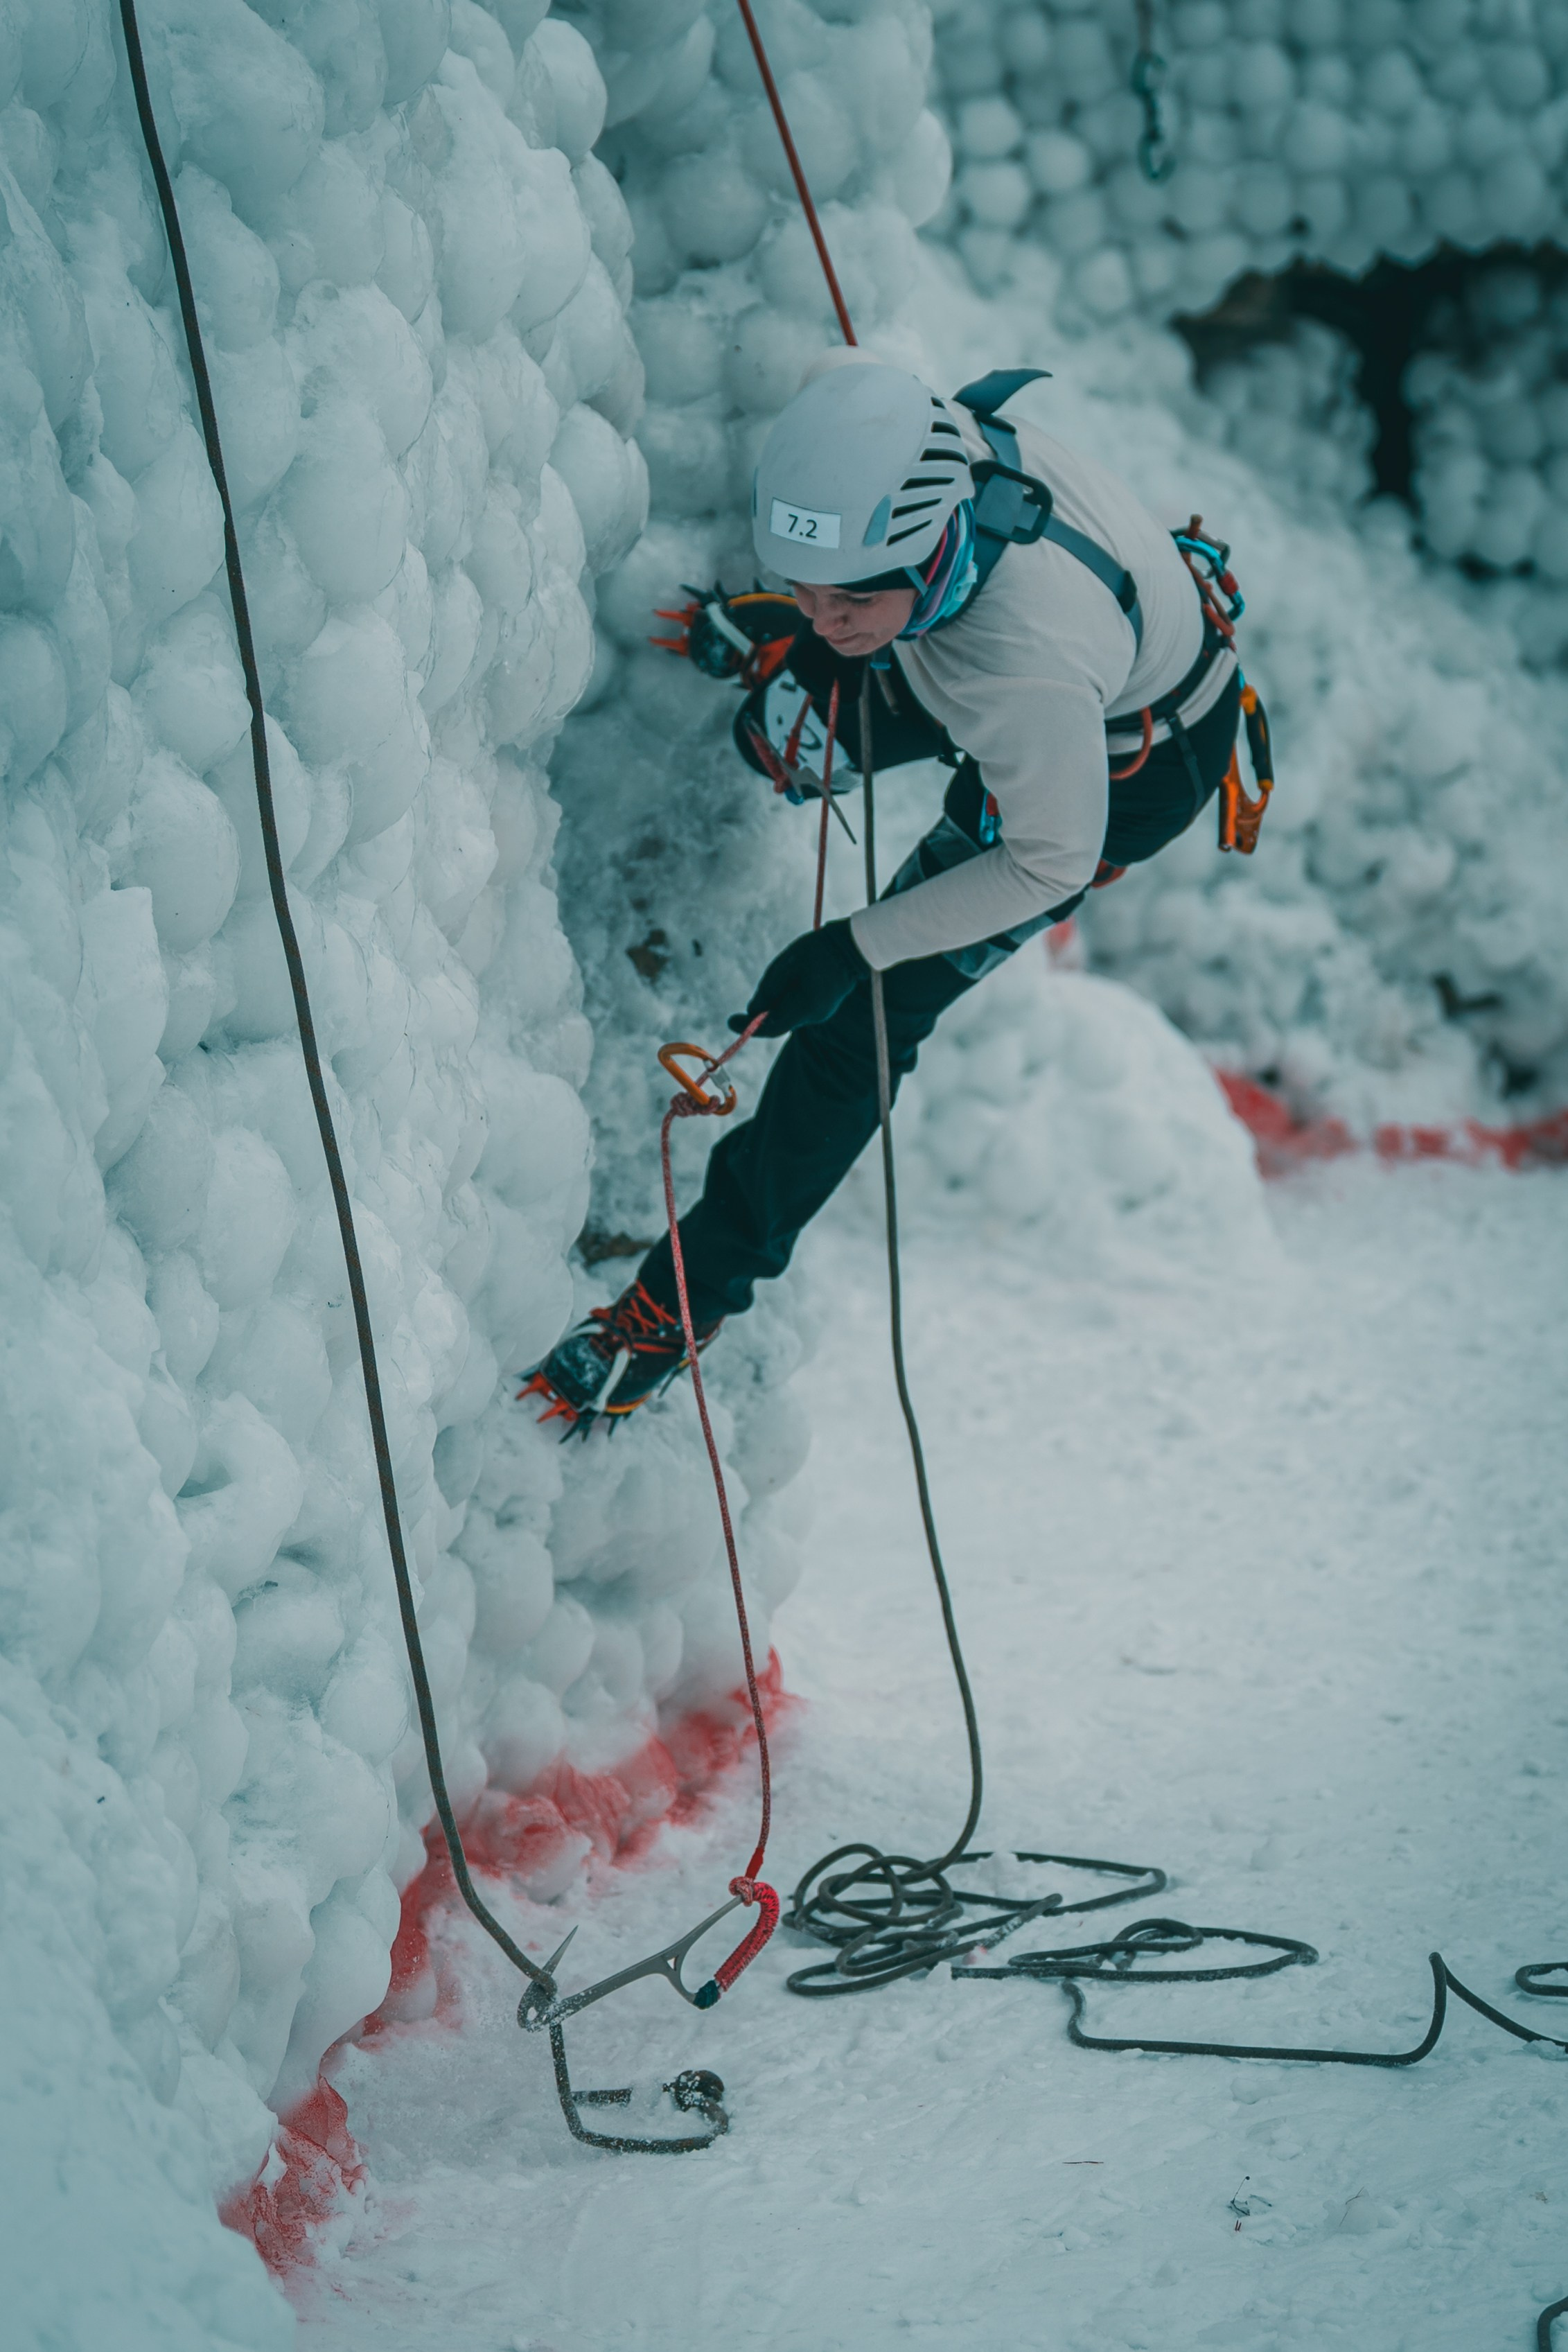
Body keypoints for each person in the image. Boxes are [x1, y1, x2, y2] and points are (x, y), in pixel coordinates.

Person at [524, 358, 1256, 1429]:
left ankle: (675, 1311)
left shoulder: (1023, 667)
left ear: (935, 544)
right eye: (807, 591)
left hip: (1124, 763)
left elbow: (1049, 859)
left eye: (847, 596)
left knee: (858, 1027)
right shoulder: (917, 483)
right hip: (976, 645)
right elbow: (857, 605)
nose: (827, 619)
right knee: (782, 738)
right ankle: (820, 647)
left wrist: (850, 949)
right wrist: (813, 616)